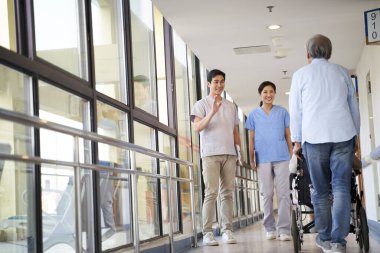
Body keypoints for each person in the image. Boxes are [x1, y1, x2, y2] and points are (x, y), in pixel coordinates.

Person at [289, 34, 360, 253]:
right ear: (330, 52)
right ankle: (339, 242)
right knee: (341, 188)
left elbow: (296, 111)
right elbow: (353, 106)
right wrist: (355, 135)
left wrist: (296, 141)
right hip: (343, 134)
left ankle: (326, 238)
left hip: (315, 137)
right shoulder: (342, 72)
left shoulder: (300, 74)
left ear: (308, 54)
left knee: (319, 191)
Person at [190, 69, 242, 246]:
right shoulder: (201, 104)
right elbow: (197, 128)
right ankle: (207, 233)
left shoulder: (231, 106)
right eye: (215, 82)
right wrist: (212, 112)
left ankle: (227, 230)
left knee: (227, 193)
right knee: (211, 193)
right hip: (210, 154)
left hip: (229, 154)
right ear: (208, 84)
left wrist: (239, 153)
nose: (219, 85)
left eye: (221, 81)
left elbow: (235, 131)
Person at [245, 81, 292, 241]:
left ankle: (284, 229)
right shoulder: (253, 115)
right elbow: (251, 140)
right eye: (265, 92)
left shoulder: (282, 112)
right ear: (261, 94)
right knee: (267, 194)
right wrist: (251, 159)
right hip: (262, 158)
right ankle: (269, 228)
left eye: (271, 91)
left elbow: (288, 136)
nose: (268, 94)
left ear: (275, 93)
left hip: (282, 157)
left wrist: (292, 156)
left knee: (284, 194)